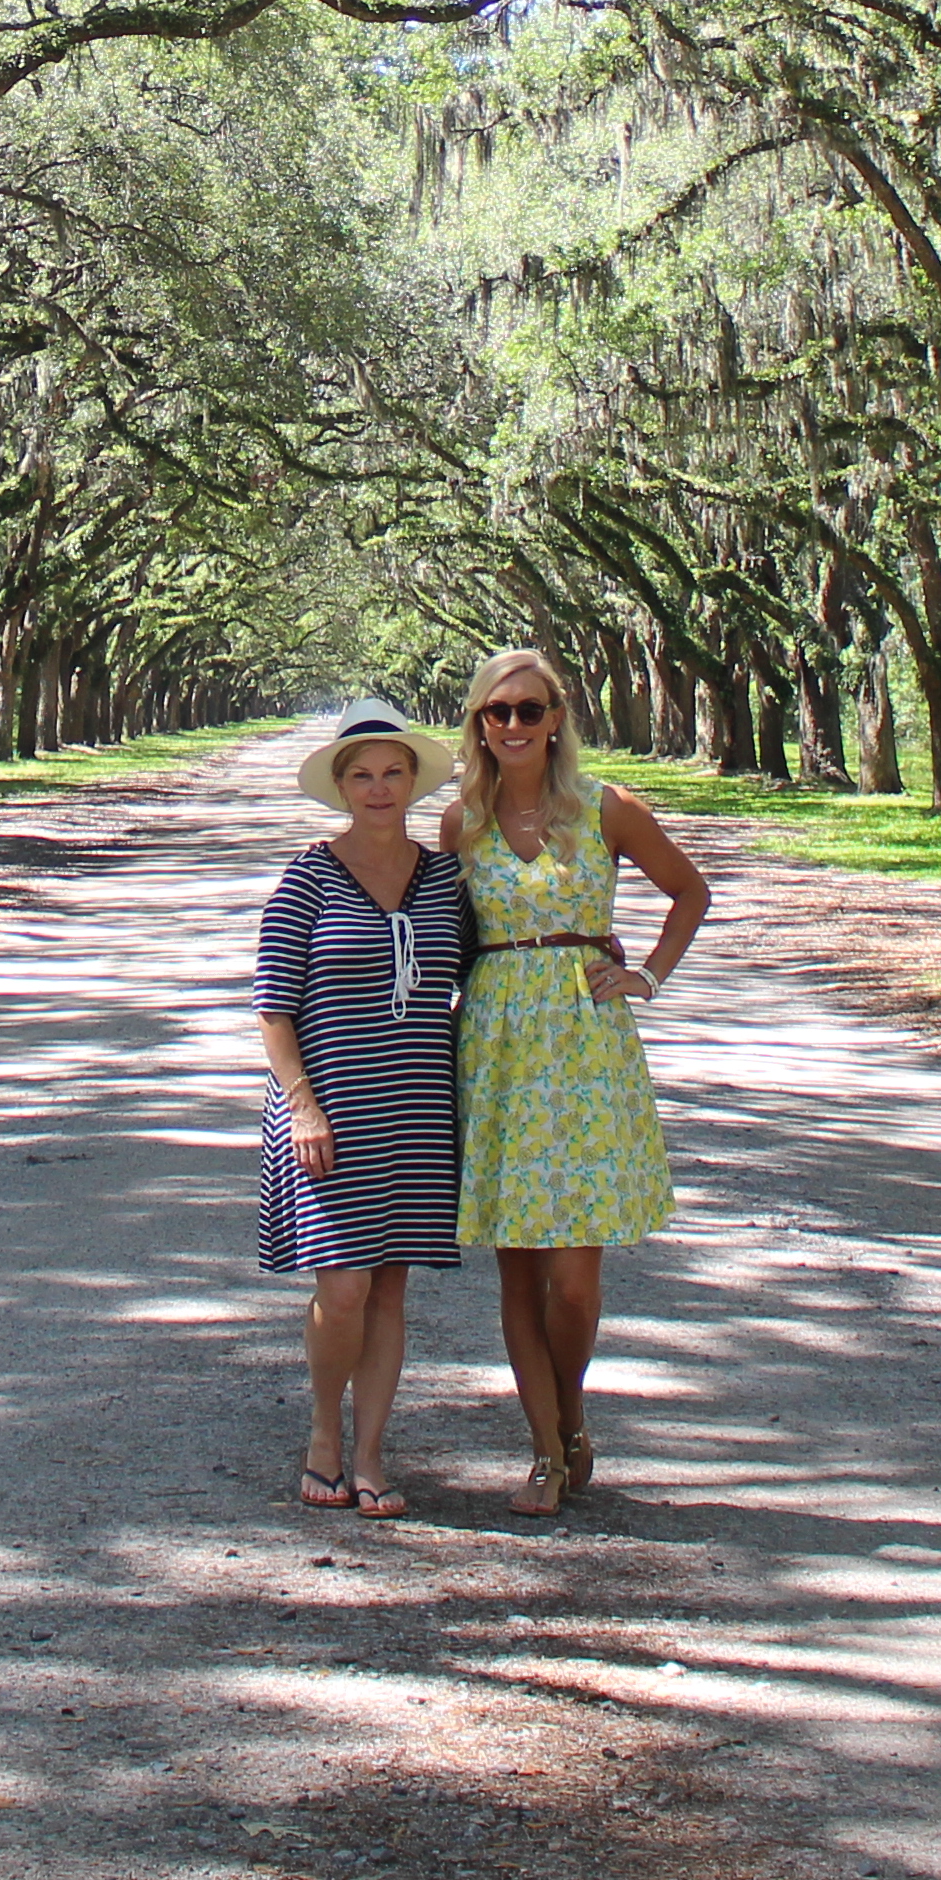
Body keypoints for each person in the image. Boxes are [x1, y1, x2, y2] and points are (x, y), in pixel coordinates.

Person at [445, 644, 707, 1516]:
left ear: (557, 718)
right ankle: (546, 1449)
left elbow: (690, 893)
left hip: (588, 1053)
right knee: (518, 1273)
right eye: (496, 711)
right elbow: (432, 932)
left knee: (574, 1282)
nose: (512, 725)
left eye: (528, 709)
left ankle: (572, 1404)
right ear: (479, 726)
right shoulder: (462, 826)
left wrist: (646, 976)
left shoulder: (608, 810)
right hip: (499, 1051)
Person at [255, 715, 470, 1519]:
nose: (379, 789)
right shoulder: (308, 878)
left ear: (413, 783)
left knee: (388, 1290)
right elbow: (273, 1007)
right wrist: (302, 1107)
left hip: (418, 1110)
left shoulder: (448, 880)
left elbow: (500, 963)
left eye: (393, 774)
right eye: (362, 776)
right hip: (331, 1111)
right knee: (342, 1287)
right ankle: (323, 1434)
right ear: (342, 789)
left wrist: (596, 951)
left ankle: (374, 1453)